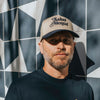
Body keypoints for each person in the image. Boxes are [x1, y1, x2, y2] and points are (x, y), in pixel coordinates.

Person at [5, 15, 94, 100]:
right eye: (53, 41)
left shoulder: (85, 90)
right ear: (41, 47)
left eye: (66, 40)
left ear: (73, 46)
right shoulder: (20, 89)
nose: (61, 46)